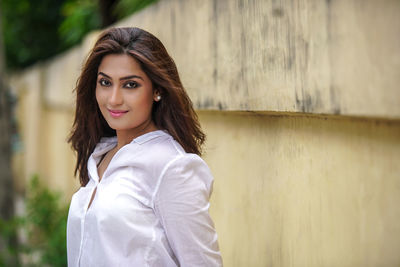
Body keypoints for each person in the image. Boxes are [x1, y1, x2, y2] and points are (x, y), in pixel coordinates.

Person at [66, 27, 222, 266]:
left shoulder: (171, 167)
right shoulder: (100, 155)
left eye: (130, 85)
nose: (114, 98)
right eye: (105, 82)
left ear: (157, 90)